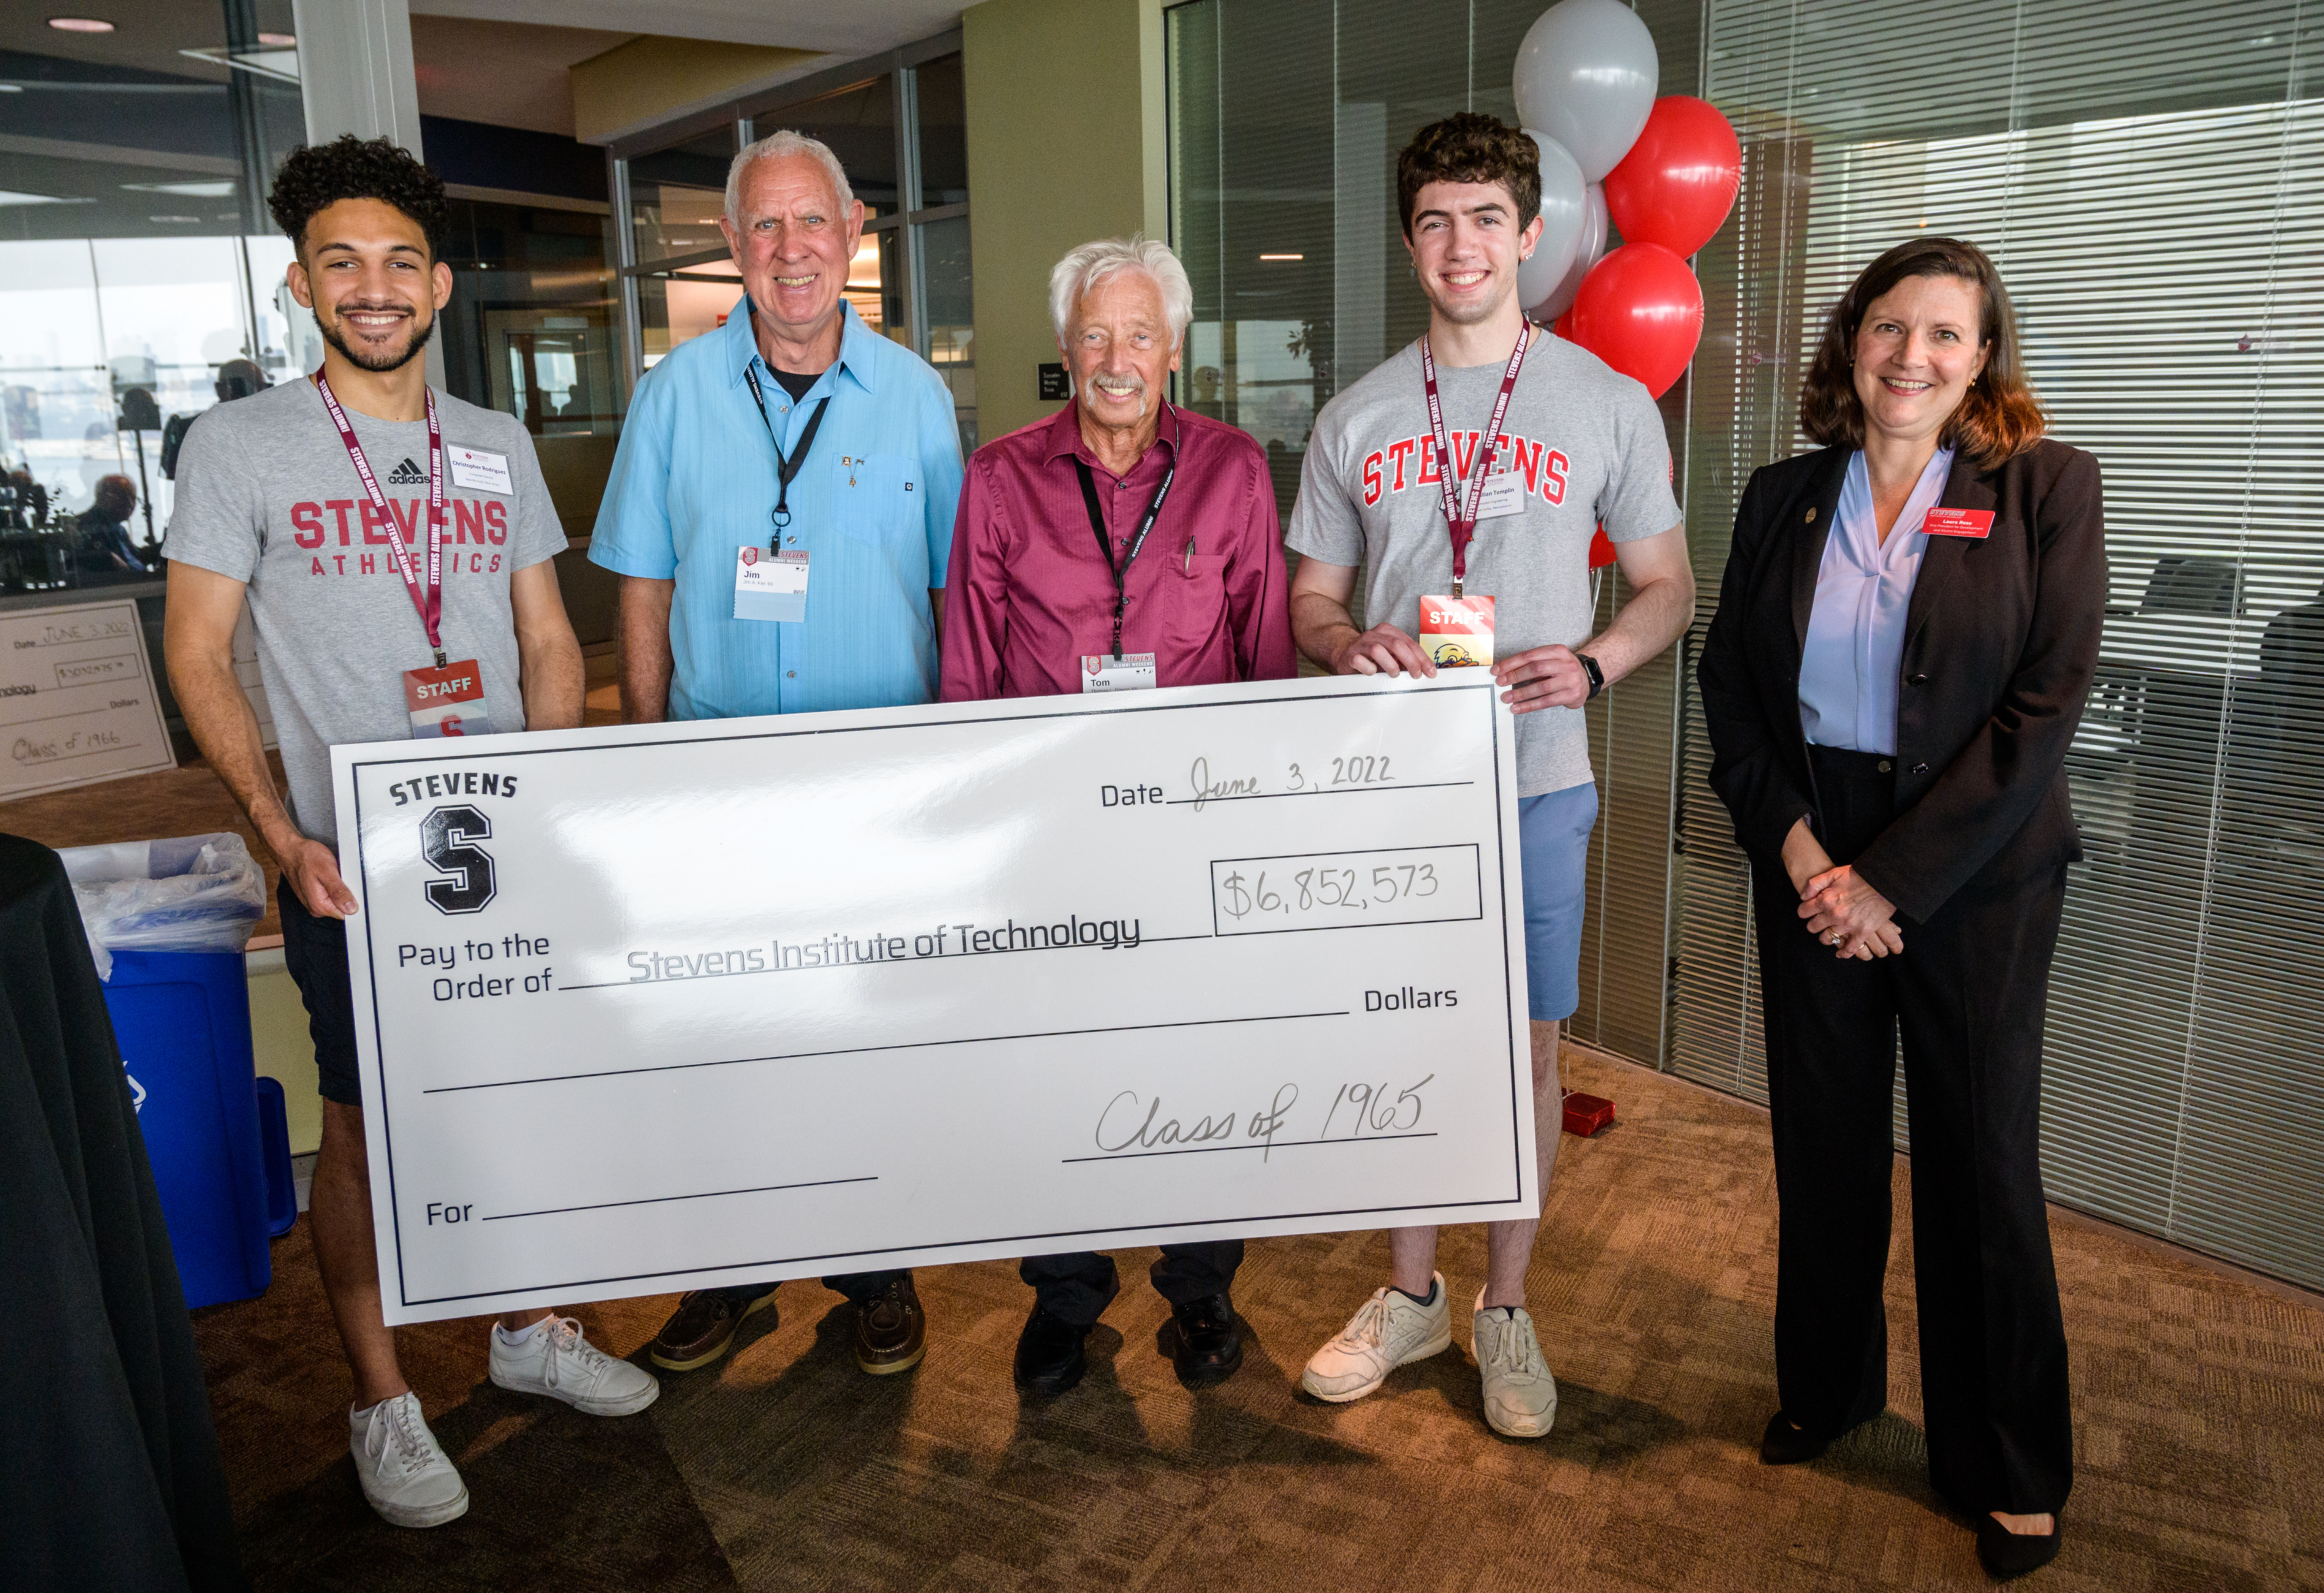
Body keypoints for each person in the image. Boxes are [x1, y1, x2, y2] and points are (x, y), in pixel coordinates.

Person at [162, 134, 656, 1531]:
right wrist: (279, 832)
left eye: (398, 263)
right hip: (351, 867)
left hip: (500, 853)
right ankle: (381, 1395)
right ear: (301, 285)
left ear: (439, 285)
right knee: (364, 1130)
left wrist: (546, 803)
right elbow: (198, 652)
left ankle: (528, 1326)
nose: (372, 288)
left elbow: (546, 638)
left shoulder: (493, 443)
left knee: (515, 1100)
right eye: (341, 264)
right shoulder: (239, 446)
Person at [1695, 236, 2103, 1580]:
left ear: (1982, 360)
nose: (1909, 356)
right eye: (1887, 327)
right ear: (1851, 342)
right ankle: (1827, 1387)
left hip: (1975, 868)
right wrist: (1806, 856)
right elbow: (1731, 687)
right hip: (1812, 849)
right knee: (1822, 1144)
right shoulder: (1783, 495)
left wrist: (1890, 879)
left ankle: (2007, 1461)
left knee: (1978, 1160)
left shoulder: (2044, 489)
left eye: (1942, 334)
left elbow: (2041, 706)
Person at [1284, 112, 1694, 1437]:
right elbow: (1309, 600)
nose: (1459, 245)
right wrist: (1344, 642)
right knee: (1407, 1040)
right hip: (1398, 792)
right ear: (1408, 242)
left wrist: (1595, 662)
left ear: (1529, 236)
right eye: (1434, 222)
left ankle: (1503, 1306)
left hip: (1535, 783)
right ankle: (1409, 1295)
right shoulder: (1355, 416)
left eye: (1484, 220)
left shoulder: (1603, 401)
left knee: (1523, 1057)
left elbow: (1667, 585)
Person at [589, 128, 963, 1381]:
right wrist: (645, 763)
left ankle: (877, 1268)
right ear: (733, 244)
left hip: (879, 790)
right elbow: (643, 586)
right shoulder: (674, 396)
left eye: (814, 222)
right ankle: (731, 1266)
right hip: (719, 786)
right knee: (726, 1039)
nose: (791, 249)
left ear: (854, 234)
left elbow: (954, 592)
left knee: (867, 1040)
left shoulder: (915, 398)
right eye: (765, 225)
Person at [941, 235, 1297, 1394]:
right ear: (1065, 345)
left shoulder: (1233, 469)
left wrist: (1261, 832)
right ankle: (1065, 1295)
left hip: (1193, 836)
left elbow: (1265, 656)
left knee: (1199, 1064)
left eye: (1140, 334)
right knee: (1055, 1067)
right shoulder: (1000, 476)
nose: (1117, 357)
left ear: (1173, 348)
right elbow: (969, 668)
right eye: (1096, 333)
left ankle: (1199, 1288)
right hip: (1048, 841)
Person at [74, 474, 147, 572]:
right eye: (123, 498)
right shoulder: (85, 525)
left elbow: (137, 557)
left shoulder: (118, 528)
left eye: (133, 499)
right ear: (102, 498)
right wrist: (109, 559)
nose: (130, 504)